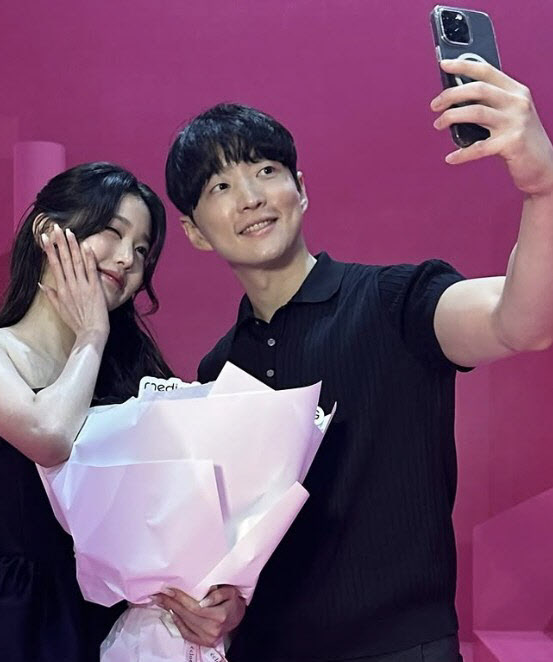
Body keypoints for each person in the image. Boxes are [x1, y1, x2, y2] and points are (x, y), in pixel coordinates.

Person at [157, 59, 553, 661]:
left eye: (265, 171)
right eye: (221, 187)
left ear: (300, 189)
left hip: (401, 648)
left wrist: (542, 188)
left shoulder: (394, 300)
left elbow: (522, 322)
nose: (252, 198)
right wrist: (228, 607)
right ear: (194, 231)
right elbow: (242, 549)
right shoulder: (219, 371)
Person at [0, 162, 174, 662]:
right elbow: (48, 435)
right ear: (47, 231)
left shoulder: (135, 375)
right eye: (112, 231)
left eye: (142, 250)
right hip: (12, 624)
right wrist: (91, 334)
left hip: (116, 624)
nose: (127, 259)